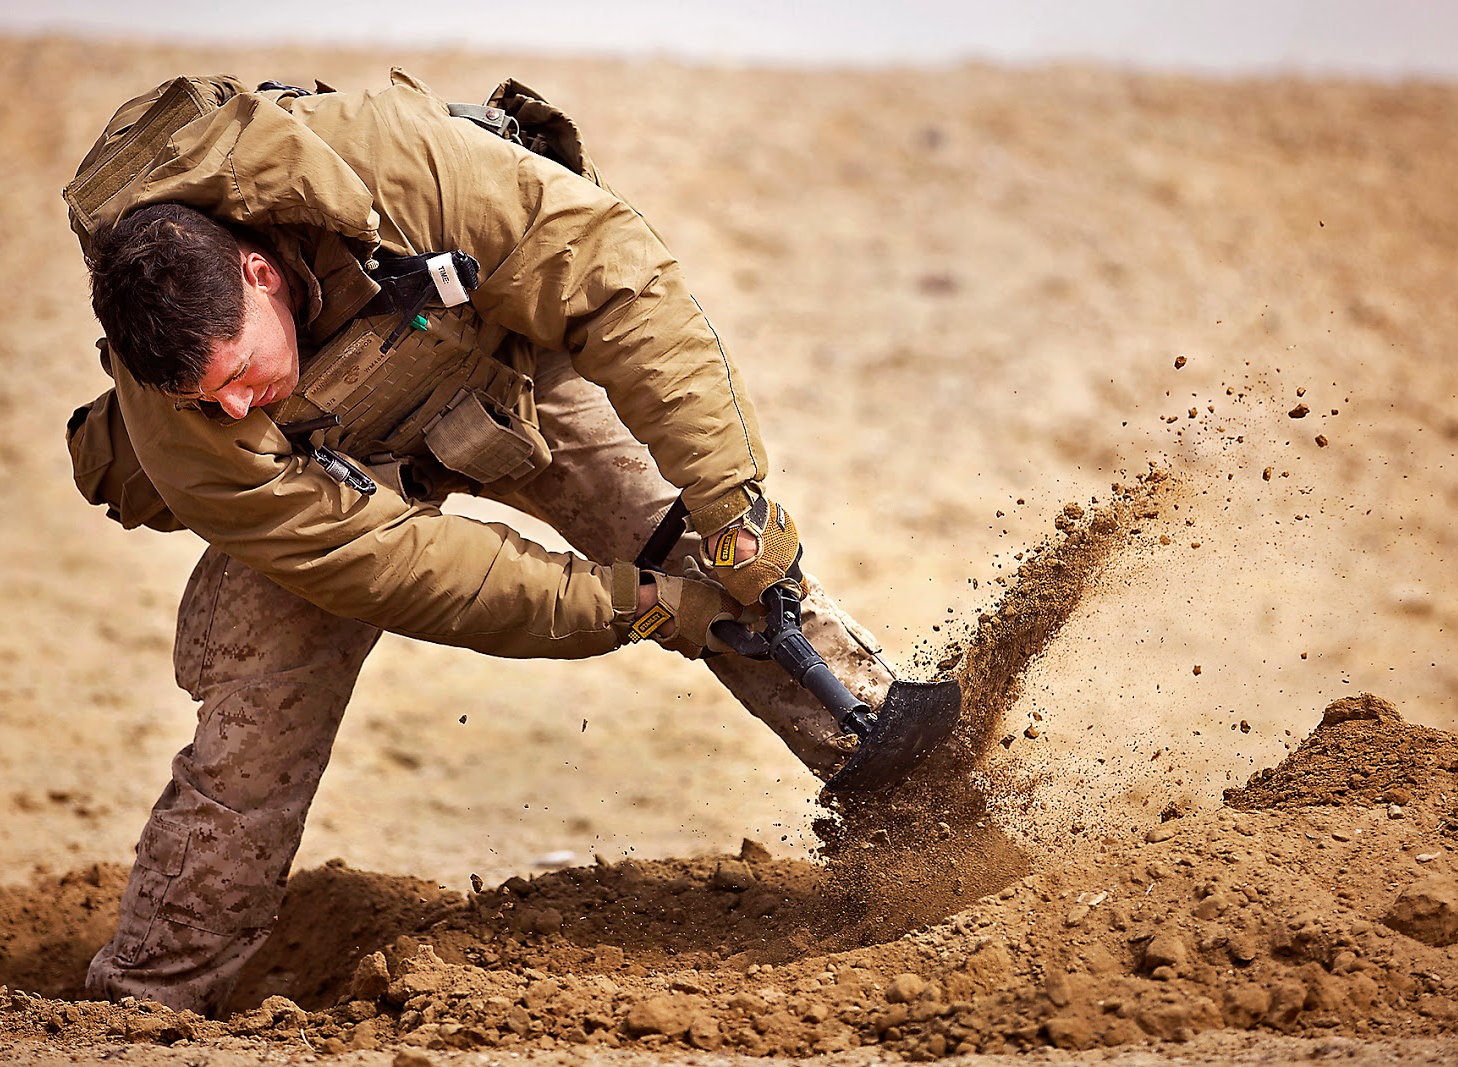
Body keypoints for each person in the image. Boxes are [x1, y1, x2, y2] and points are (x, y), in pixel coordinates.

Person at [63, 70, 900, 1016]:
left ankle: (914, 792)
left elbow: (616, 280)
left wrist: (732, 503)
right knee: (254, 728)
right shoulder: (186, 429)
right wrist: (636, 609)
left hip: (500, 375)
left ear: (259, 272)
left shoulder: (389, 163)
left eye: (240, 374)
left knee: (710, 551)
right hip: (335, 475)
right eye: (204, 400)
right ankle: (148, 1006)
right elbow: (405, 570)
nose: (234, 407)